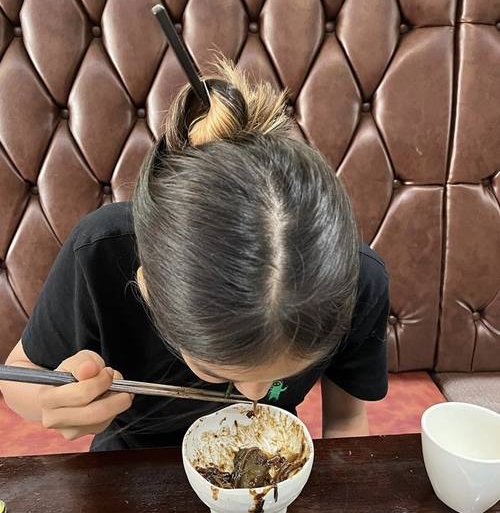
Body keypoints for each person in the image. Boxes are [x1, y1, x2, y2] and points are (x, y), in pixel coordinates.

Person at [1, 58, 389, 451]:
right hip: (127, 462)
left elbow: (346, 420)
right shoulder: (102, 251)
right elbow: (17, 375)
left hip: (271, 453)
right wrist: (52, 402)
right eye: (214, 370)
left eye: (282, 375)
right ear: (148, 288)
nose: (254, 395)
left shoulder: (357, 282)